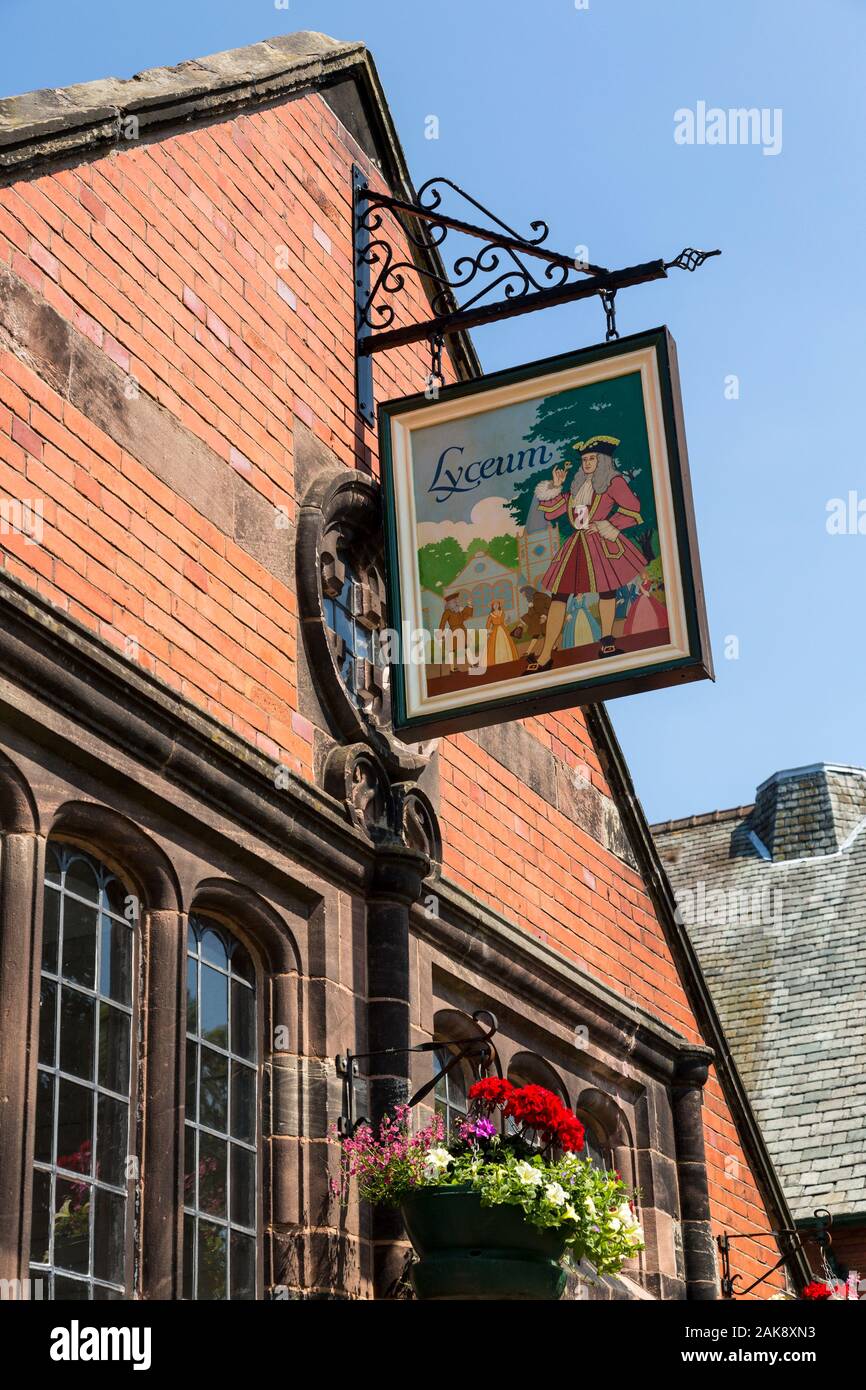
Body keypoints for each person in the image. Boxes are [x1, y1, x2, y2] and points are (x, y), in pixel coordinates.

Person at [525, 436, 646, 670]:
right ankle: (545, 653)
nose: (587, 463)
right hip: (576, 545)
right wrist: (556, 486)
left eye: (592, 458)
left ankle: (607, 640)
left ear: (603, 460)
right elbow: (552, 512)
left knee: (607, 590)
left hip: (599, 542)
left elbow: (633, 508)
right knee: (559, 595)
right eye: (584, 460)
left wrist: (606, 524)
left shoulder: (613, 482)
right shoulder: (576, 486)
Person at [512, 584, 551, 660]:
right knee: (539, 634)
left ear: (528, 592)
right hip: (537, 621)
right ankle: (528, 652)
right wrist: (522, 622)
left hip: (543, 619)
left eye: (524, 594)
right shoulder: (531, 600)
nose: (523, 596)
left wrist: (544, 616)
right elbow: (531, 613)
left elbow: (548, 605)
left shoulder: (541, 596)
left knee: (542, 634)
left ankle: (528, 652)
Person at [439, 591, 473, 671]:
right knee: (452, 649)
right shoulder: (447, 612)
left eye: (456, 601)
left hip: (462, 630)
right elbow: (442, 623)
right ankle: (452, 668)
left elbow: (466, 616)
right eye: (454, 601)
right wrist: (441, 634)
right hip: (453, 632)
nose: (456, 602)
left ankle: (472, 663)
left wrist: (469, 606)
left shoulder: (459, 610)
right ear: (449, 603)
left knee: (466, 647)